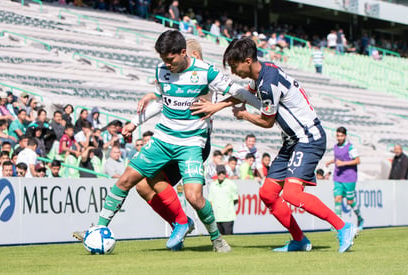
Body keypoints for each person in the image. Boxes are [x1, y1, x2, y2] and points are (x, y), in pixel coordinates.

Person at [74, 30, 259, 252]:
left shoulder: (205, 71)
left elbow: (239, 91)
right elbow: (162, 101)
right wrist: (134, 123)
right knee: (127, 180)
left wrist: (264, 107)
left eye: (170, 60)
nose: (166, 64)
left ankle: (216, 239)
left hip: (191, 142)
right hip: (162, 138)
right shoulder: (162, 70)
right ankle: (97, 228)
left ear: (183, 52)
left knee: (194, 196)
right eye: (163, 60)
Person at [191, 37, 356, 253]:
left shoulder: (267, 85)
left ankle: (343, 227)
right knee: (268, 194)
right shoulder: (264, 71)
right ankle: (299, 240)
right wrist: (216, 106)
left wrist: (244, 115)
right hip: (293, 141)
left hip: (308, 139)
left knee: (291, 194)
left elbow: (267, 122)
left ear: (247, 61)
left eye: (234, 66)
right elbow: (245, 94)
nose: (233, 71)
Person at [326, 127, 364, 231]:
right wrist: (331, 161)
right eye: (338, 136)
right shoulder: (335, 147)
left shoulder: (350, 147)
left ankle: (360, 218)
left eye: (341, 136)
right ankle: (338, 224)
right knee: (337, 198)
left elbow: (357, 160)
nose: (339, 138)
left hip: (349, 177)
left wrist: (343, 163)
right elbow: (338, 158)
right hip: (338, 176)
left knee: (350, 201)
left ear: (345, 136)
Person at [208, 165, 238, 235]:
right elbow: (210, 201)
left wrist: (228, 206)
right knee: (219, 238)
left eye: (223, 173)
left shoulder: (231, 184)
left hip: (228, 216)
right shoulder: (213, 185)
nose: (221, 175)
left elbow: (235, 199)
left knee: (228, 236)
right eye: (219, 173)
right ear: (217, 173)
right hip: (217, 216)